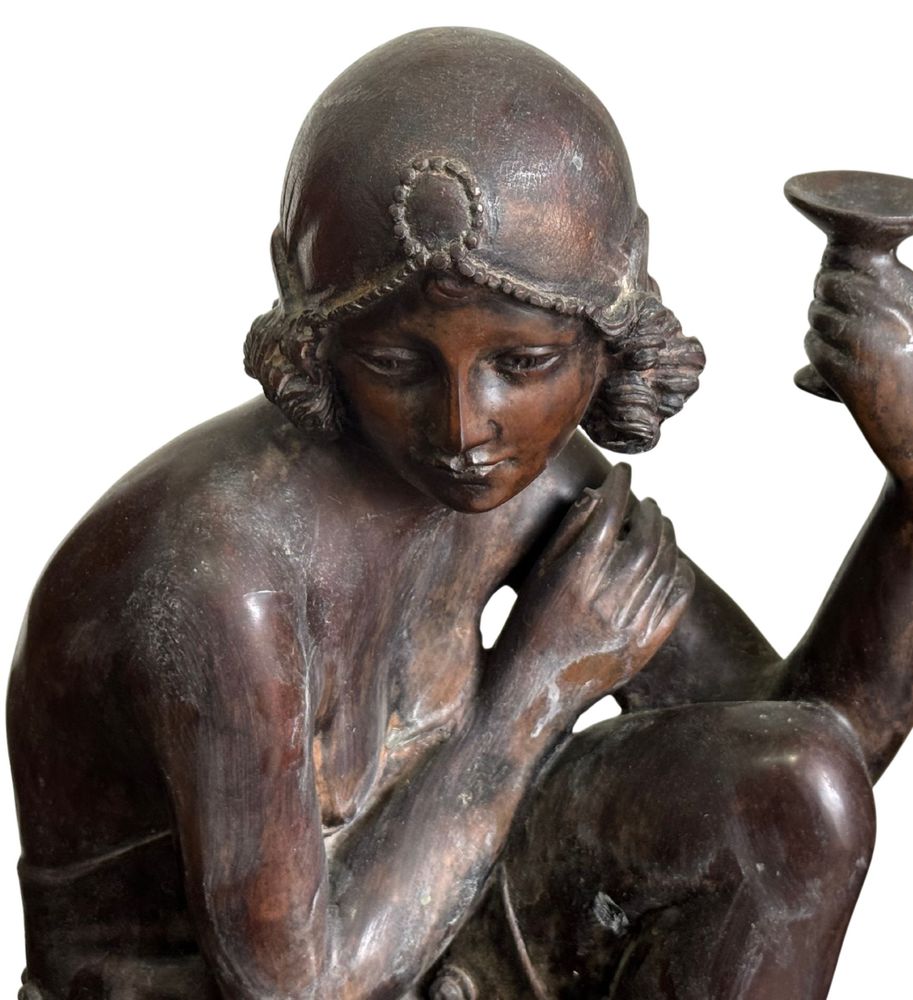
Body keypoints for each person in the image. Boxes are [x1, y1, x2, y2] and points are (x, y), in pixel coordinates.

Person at [7, 27, 913, 1000]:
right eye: (394, 363)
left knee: (794, 793)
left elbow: (809, 755)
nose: (463, 427)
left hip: (436, 936)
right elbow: (288, 990)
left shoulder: (531, 484)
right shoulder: (224, 575)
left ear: (610, 326)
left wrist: (909, 474)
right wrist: (533, 687)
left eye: (522, 364)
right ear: (311, 324)